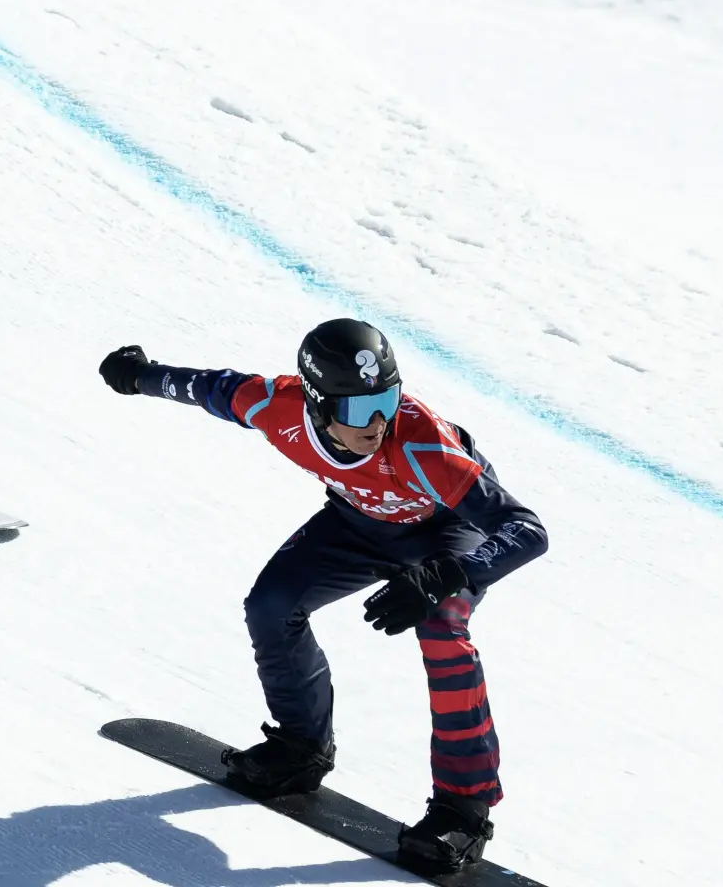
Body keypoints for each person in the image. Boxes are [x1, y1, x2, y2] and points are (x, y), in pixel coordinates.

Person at [97, 318, 548, 873]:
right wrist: (141, 375)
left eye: (387, 399)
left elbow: (526, 529)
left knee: (441, 629)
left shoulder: (424, 445)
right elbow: (209, 389)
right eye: (359, 410)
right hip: (358, 523)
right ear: (315, 406)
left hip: (447, 532)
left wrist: (448, 574)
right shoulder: (275, 404)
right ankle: (301, 746)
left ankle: (463, 808)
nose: (378, 422)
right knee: (271, 606)